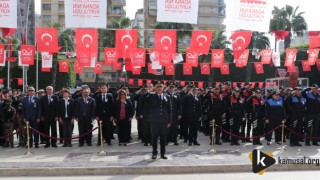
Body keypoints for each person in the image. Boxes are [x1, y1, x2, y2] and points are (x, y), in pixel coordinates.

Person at [146, 83, 172, 159]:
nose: (159, 90)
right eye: (158, 88)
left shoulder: (167, 96)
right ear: (155, 89)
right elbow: (145, 100)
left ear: (163, 89)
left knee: (163, 138)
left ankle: (162, 154)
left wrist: (169, 121)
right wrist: (149, 91)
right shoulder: (151, 96)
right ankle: (154, 153)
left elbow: (169, 109)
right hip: (154, 121)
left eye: (161, 88)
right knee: (154, 138)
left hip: (164, 121)